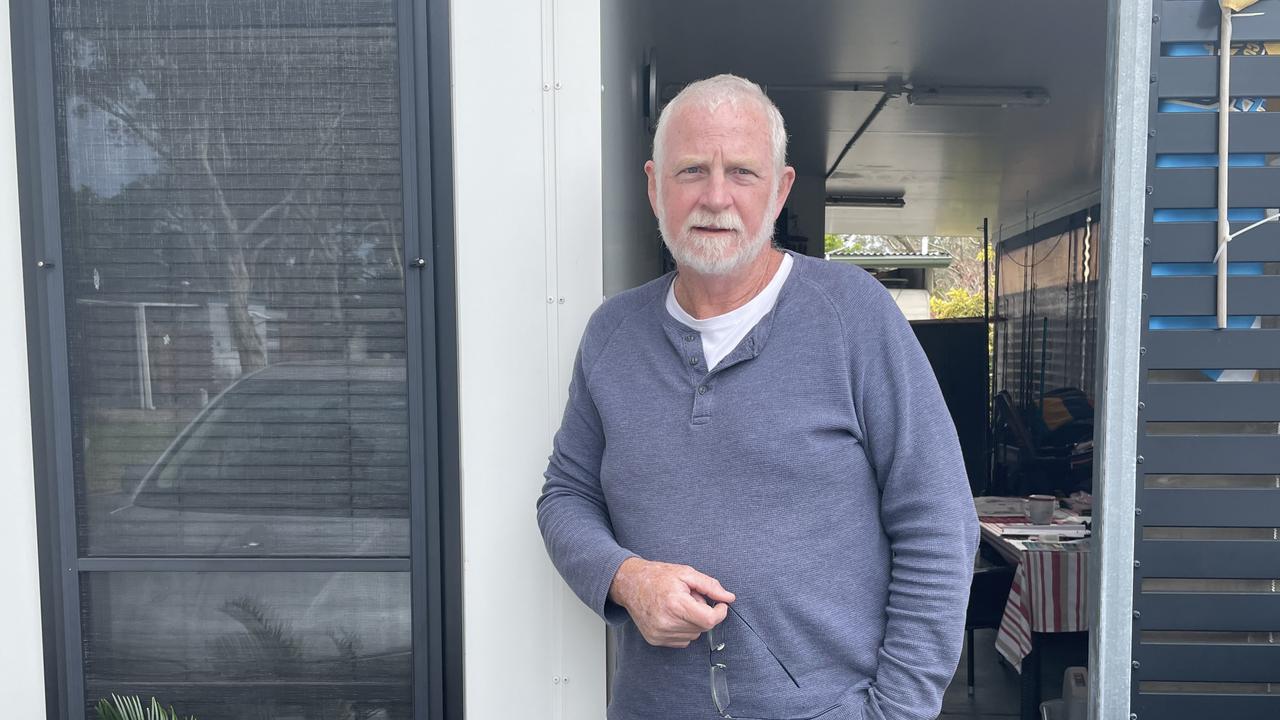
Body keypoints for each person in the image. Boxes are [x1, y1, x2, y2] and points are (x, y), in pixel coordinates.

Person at [537, 73, 978, 720]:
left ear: (781, 190)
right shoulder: (614, 334)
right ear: (654, 185)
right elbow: (566, 495)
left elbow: (939, 521)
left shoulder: (853, 316)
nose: (716, 197)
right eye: (692, 170)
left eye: (742, 171)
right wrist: (624, 579)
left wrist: (896, 712)